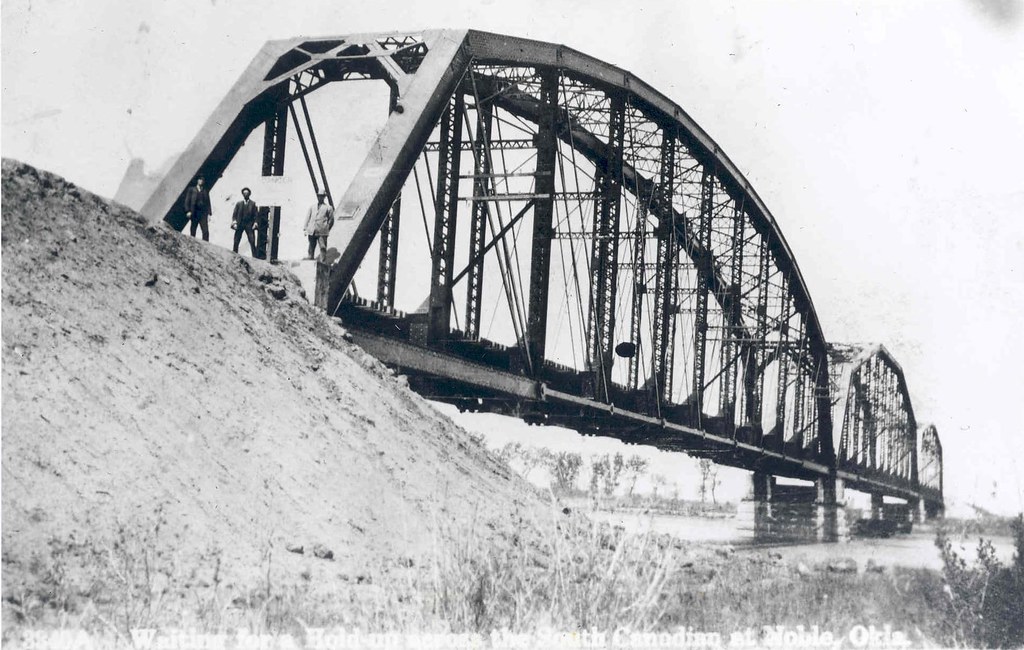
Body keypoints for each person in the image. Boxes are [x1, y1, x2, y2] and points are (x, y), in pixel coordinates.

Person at [303, 191, 334, 261]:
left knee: (322, 246)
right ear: (317, 196)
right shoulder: (312, 207)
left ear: (324, 197)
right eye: (319, 196)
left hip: (322, 231)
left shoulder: (328, 208)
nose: (320, 197)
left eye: (322, 196)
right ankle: (310, 256)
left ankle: (322, 260)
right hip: (312, 230)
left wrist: (326, 228)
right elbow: (308, 217)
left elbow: (331, 220)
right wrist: (305, 228)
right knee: (311, 245)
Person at [231, 187, 259, 256]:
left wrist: (255, 223)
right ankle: (234, 254)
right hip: (240, 223)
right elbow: (234, 214)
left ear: (249, 194)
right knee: (236, 240)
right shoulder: (239, 204)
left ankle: (254, 257)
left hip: (249, 224)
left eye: (247, 193)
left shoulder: (253, 204)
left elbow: (256, 215)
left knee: (252, 240)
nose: (246, 194)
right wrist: (234, 223)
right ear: (242, 194)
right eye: (244, 193)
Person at [184, 177, 212, 241]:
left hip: (203, 214)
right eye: (200, 179)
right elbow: (187, 201)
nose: (201, 181)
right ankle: (192, 244)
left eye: (202, 180)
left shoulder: (205, 190)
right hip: (194, 213)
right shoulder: (191, 189)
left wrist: (209, 213)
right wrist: (188, 211)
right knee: (193, 230)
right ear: (197, 180)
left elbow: (208, 203)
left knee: (205, 231)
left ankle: (206, 246)